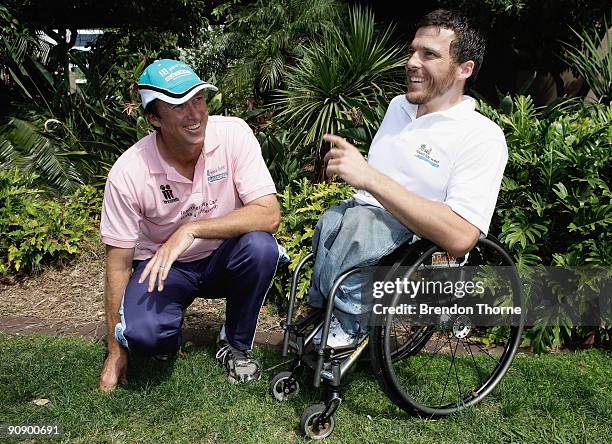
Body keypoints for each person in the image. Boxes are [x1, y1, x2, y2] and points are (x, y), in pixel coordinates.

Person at [308, 9, 508, 346]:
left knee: (360, 229)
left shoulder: (481, 136)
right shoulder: (398, 107)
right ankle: (324, 312)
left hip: (420, 243)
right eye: (413, 51)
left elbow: (461, 237)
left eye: (429, 54)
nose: (412, 62)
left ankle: (348, 326)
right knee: (332, 223)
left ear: (464, 69)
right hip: (367, 222)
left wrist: (368, 177)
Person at [99, 59, 281, 391]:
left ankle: (236, 344)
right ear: (154, 118)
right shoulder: (127, 173)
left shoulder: (233, 133)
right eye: (179, 105)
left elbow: (268, 213)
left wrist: (191, 229)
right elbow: (118, 264)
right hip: (164, 268)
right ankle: (165, 334)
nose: (195, 113)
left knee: (261, 247)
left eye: (198, 99)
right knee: (143, 337)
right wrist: (115, 351)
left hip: (222, 258)